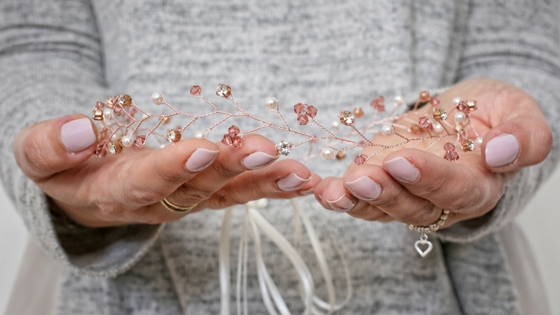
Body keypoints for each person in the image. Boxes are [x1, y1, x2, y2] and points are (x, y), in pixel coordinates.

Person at [1, 0, 558, 314]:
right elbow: (33, 41)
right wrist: (71, 174)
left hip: (443, 288)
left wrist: (494, 146)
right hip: (125, 293)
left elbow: (522, 45)